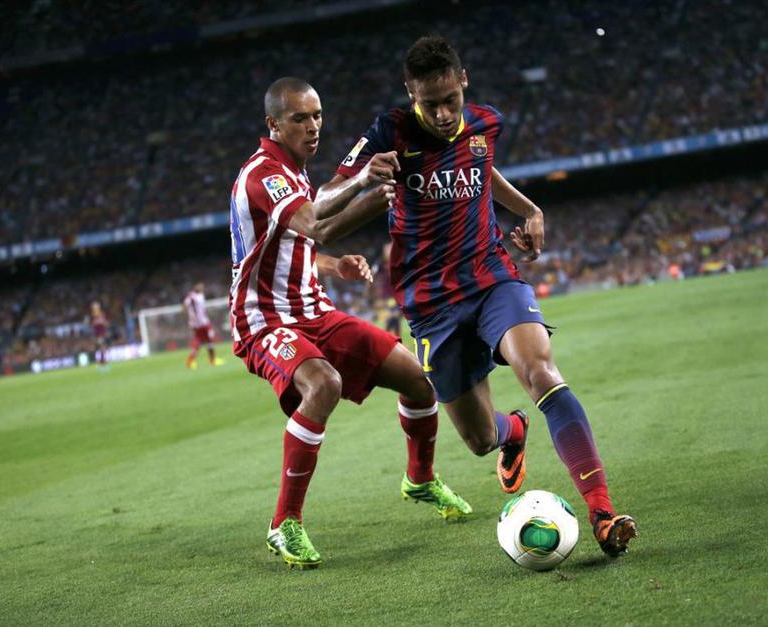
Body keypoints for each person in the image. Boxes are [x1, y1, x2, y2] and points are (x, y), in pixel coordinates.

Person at [319, 36, 636, 557]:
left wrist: (530, 209)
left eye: (450, 100)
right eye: (430, 104)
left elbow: (481, 168)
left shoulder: (486, 123)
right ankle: (514, 431)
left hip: (491, 277)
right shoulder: (389, 132)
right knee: (480, 440)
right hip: (430, 304)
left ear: (463, 80)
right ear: (411, 93)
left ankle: (603, 513)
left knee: (541, 372)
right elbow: (321, 205)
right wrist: (358, 180)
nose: (443, 114)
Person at [230, 77, 470, 569]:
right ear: (273, 124)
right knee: (324, 384)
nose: (313, 126)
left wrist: (333, 265)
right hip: (265, 320)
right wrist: (367, 190)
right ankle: (284, 524)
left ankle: (420, 478)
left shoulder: (294, 174)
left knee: (417, 379)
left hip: (314, 311)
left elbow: (290, 245)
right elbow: (313, 224)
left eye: (317, 115)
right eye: (299, 118)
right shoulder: (264, 174)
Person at [182, 283, 223, 369]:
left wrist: (190, 318)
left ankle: (211, 360)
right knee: (205, 339)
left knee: (204, 340)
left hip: (195, 324)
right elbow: (202, 309)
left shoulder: (189, 298)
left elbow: (184, 308)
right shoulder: (199, 297)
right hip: (203, 323)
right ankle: (193, 360)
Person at [88, 301, 109, 367]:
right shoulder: (92, 316)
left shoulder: (101, 314)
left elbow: (106, 323)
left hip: (101, 334)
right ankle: (99, 360)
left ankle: (102, 361)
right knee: (97, 347)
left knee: (102, 346)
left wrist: (102, 322)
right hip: (96, 334)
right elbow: (91, 325)